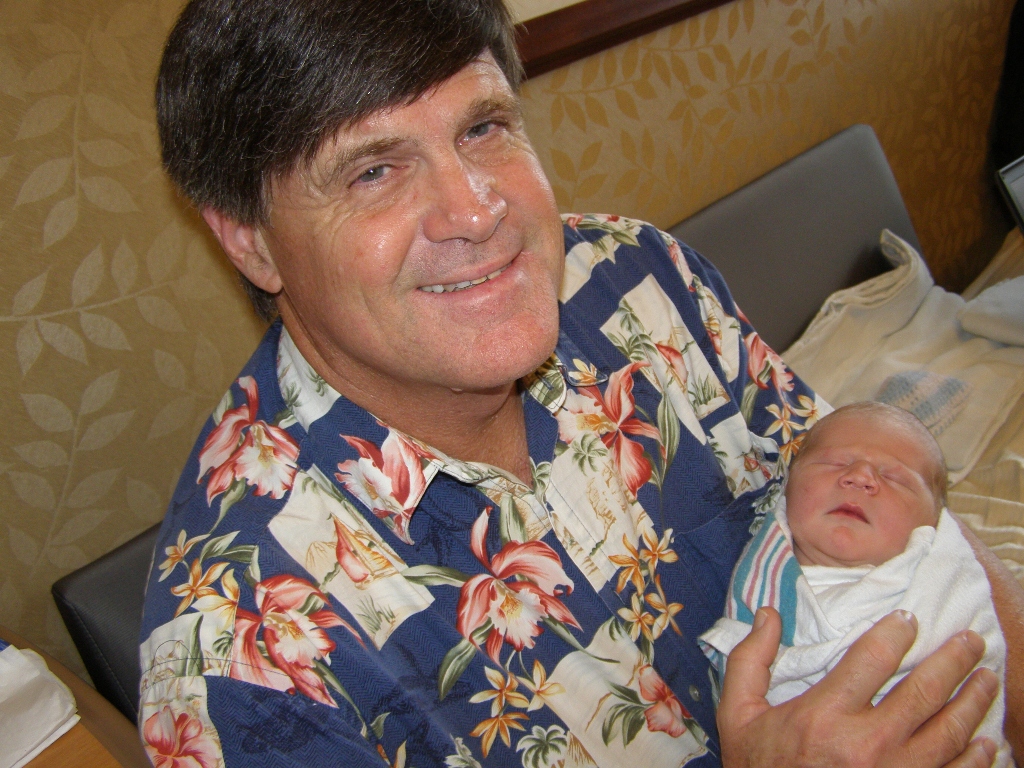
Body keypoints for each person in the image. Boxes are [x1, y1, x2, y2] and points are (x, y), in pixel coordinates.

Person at [138, 0, 1022, 765]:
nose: (477, 209)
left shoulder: (637, 276)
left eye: (483, 128)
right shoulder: (240, 666)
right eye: (374, 170)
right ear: (251, 241)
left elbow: (915, 525)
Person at [700, 402, 1012, 765]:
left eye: (896, 478)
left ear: (933, 525)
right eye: (833, 463)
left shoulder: (943, 583)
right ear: (788, 485)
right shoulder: (768, 585)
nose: (860, 476)